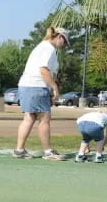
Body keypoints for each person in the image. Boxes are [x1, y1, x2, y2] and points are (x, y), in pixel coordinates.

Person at [13, 27, 70, 160]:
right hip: (37, 86)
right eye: (65, 42)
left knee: (29, 118)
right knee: (44, 119)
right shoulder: (48, 48)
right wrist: (55, 88)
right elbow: (43, 70)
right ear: (60, 37)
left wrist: (51, 88)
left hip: (27, 85)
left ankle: (19, 150)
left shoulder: (43, 47)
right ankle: (48, 152)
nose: (65, 45)